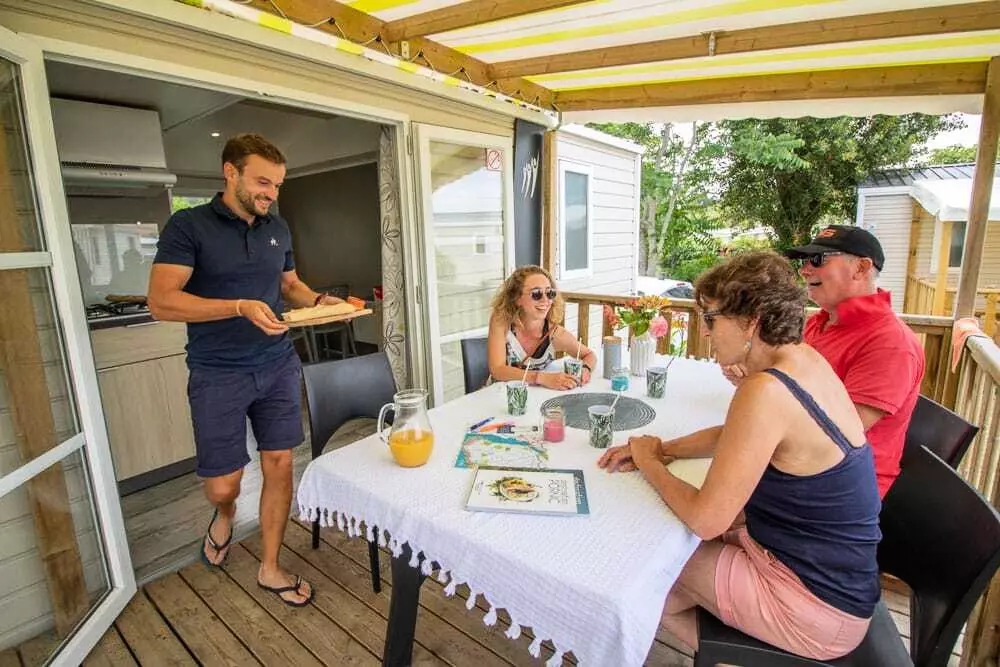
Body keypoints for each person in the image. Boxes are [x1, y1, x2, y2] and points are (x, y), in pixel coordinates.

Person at [598, 252, 881, 661]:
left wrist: (650, 463)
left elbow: (706, 519)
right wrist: (665, 448)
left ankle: (745, 658)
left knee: (646, 566)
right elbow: (737, 436)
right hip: (834, 577)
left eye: (711, 319)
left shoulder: (765, 390)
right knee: (660, 586)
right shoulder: (805, 361)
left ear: (752, 321)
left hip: (817, 603)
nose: (705, 330)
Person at [148, 133, 339, 607]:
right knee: (223, 483)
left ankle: (270, 566)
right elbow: (162, 301)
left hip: (277, 364)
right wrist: (237, 306)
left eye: (277, 185)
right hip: (218, 372)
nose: (271, 193)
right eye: (262, 182)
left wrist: (318, 301)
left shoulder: (278, 227)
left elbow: (289, 284)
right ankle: (226, 513)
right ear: (230, 172)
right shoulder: (188, 225)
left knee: (280, 463)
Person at [487, 265, 597, 390]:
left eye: (550, 293)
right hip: (497, 394)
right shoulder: (501, 322)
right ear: (517, 299)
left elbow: (589, 354)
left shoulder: (554, 334)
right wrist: (541, 378)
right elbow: (497, 369)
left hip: (535, 397)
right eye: (536, 293)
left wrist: (585, 368)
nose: (545, 300)